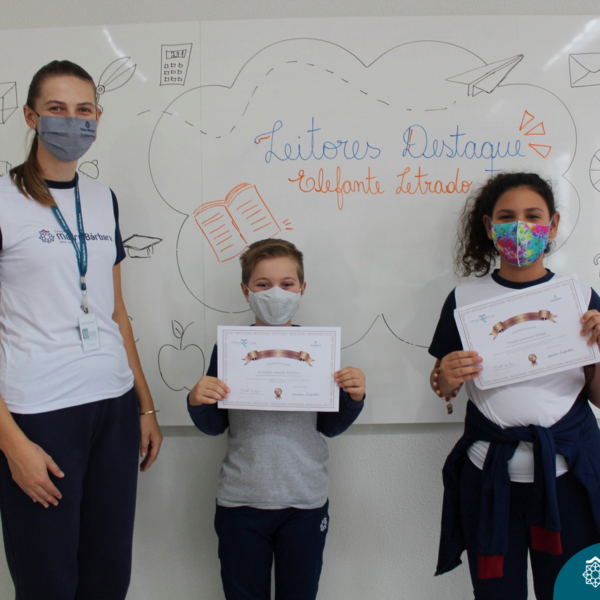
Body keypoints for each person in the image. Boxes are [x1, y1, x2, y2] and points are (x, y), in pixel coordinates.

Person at [0, 60, 163, 600]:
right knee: (48, 583)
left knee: (107, 578)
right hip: (40, 415)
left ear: (98, 117)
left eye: (84, 110)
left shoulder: (102, 199)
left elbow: (115, 311)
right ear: (31, 116)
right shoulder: (2, 200)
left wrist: (144, 406)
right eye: (57, 109)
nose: (73, 121)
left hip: (112, 408)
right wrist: (12, 444)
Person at [429, 172, 600, 600]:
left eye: (533, 216)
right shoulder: (463, 301)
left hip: (568, 479)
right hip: (490, 479)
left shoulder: (579, 297)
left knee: (573, 593)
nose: (520, 227)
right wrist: (445, 378)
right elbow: (443, 385)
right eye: (506, 217)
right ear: (489, 227)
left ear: (552, 224)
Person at [187, 238, 366, 600]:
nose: (276, 293)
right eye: (263, 284)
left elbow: (330, 427)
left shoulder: (319, 348)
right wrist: (196, 400)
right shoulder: (229, 348)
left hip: (304, 502)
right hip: (241, 502)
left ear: (302, 289)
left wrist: (354, 396)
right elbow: (214, 425)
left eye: (287, 284)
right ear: (246, 291)